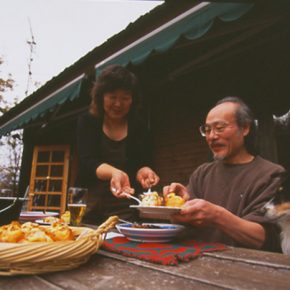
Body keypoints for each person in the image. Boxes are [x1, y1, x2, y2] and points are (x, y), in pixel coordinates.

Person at [163, 96, 285, 251]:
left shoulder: (272, 175)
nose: (212, 136)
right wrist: (178, 204)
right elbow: (185, 227)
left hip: (249, 270)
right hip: (198, 266)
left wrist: (216, 215)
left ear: (245, 128)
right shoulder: (202, 173)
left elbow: (266, 239)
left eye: (220, 128)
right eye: (207, 130)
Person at [76, 64, 159, 224]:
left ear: (132, 100)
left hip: (124, 205)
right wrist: (115, 173)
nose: (118, 104)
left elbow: (144, 162)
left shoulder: (140, 127)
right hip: (87, 202)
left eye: (125, 98)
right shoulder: (87, 122)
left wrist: (145, 171)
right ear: (101, 97)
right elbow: (88, 162)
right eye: (112, 97)